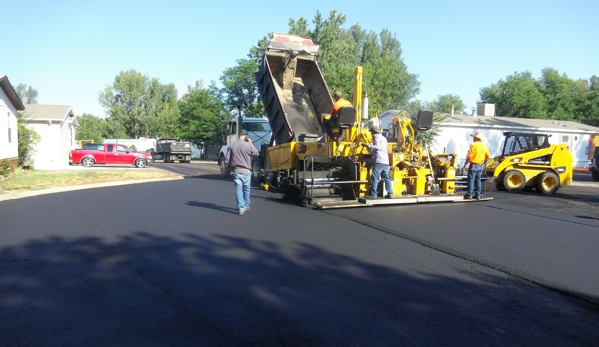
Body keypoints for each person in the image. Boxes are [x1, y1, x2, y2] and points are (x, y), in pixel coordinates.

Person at [225, 130, 259, 215]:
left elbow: (227, 160)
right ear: (246, 136)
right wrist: (251, 143)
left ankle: (241, 208)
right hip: (246, 170)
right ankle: (246, 205)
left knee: (238, 189)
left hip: (236, 170)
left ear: (239, 135)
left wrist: (227, 169)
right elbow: (256, 153)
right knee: (246, 189)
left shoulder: (232, 145)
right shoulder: (248, 145)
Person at [365, 125, 394, 199]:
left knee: (375, 177)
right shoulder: (384, 138)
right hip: (385, 161)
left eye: (371, 132)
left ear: (374, 131)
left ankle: (373, 194)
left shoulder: (376, 137)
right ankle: (390, 193)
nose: (371, 133)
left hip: (379, 161)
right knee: (387, 178)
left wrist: (368, 146)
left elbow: (377, 147)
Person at [464, 131, 491, 200]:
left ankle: (469, 194)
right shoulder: (484, 146)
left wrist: (466, 163)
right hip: (480, 165)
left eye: (473, 137)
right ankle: (478, 195)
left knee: (471, 179)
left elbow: (469, 156)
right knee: (478, 180)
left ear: (476, 138)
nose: (473, 138)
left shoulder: (473, 145)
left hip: (474, 164)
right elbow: (488, 156)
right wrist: (484, 162)